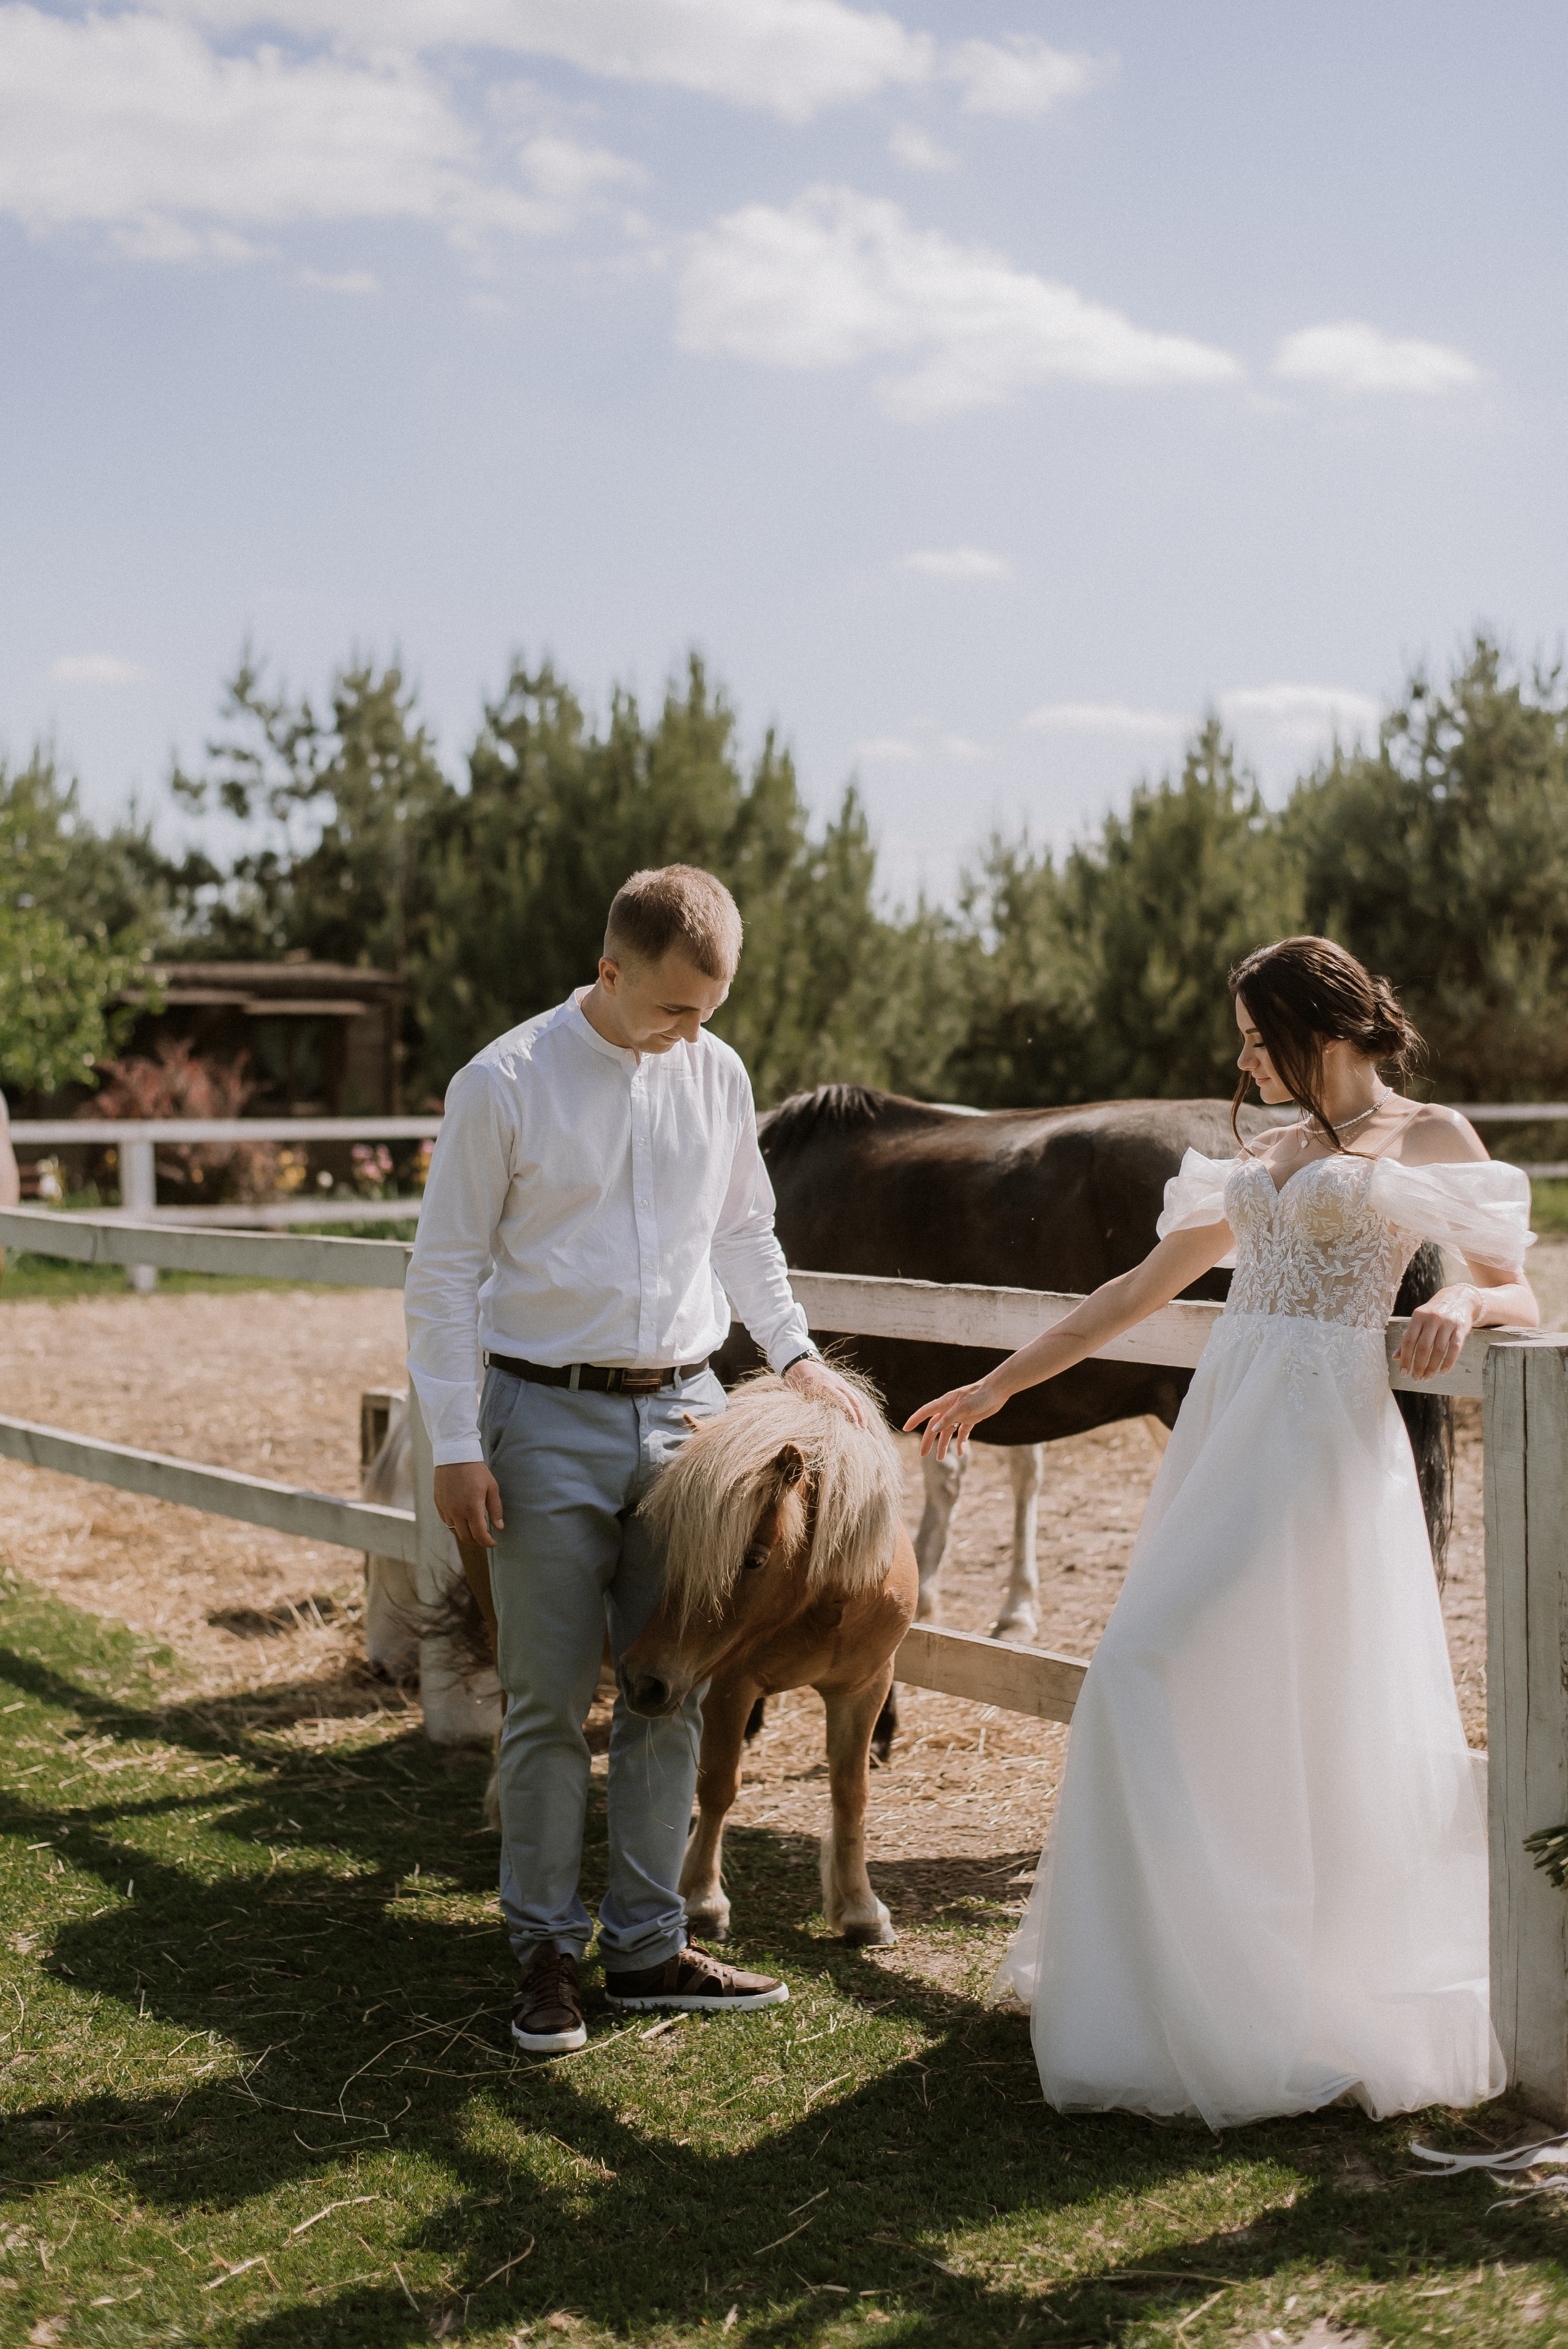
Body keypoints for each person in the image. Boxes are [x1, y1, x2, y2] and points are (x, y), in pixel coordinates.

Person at [908, 936, 1538, 2128]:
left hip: (1322, 1454)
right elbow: (1137, 1289)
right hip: (1224, 1438)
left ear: (1328, 1025)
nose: (1242, 1061)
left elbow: (1521, 1289)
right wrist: (997, 1388)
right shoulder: (1260, 1150)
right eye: (1242, 1042)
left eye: (1260, 1038)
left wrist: (1456, 1295)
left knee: (1170, 1680)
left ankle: (1271, 1998)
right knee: (1174, 1683)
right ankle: (1174, 1992)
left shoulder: (1430, 1137)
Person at [404, 864, 866, 2055]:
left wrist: (797, 1355)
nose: (693, 1033)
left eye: (711, 1009)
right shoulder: (502, 1083)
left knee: (674, 1688)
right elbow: (444, 1275)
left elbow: (743, 1231)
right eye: (673, 1008)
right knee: (551, 1703)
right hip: (538, 1417)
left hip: (686, 1420)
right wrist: (457, 1444)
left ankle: (650, 1946)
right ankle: (545, 1957)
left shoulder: (715, 1073)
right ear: (607, 973)